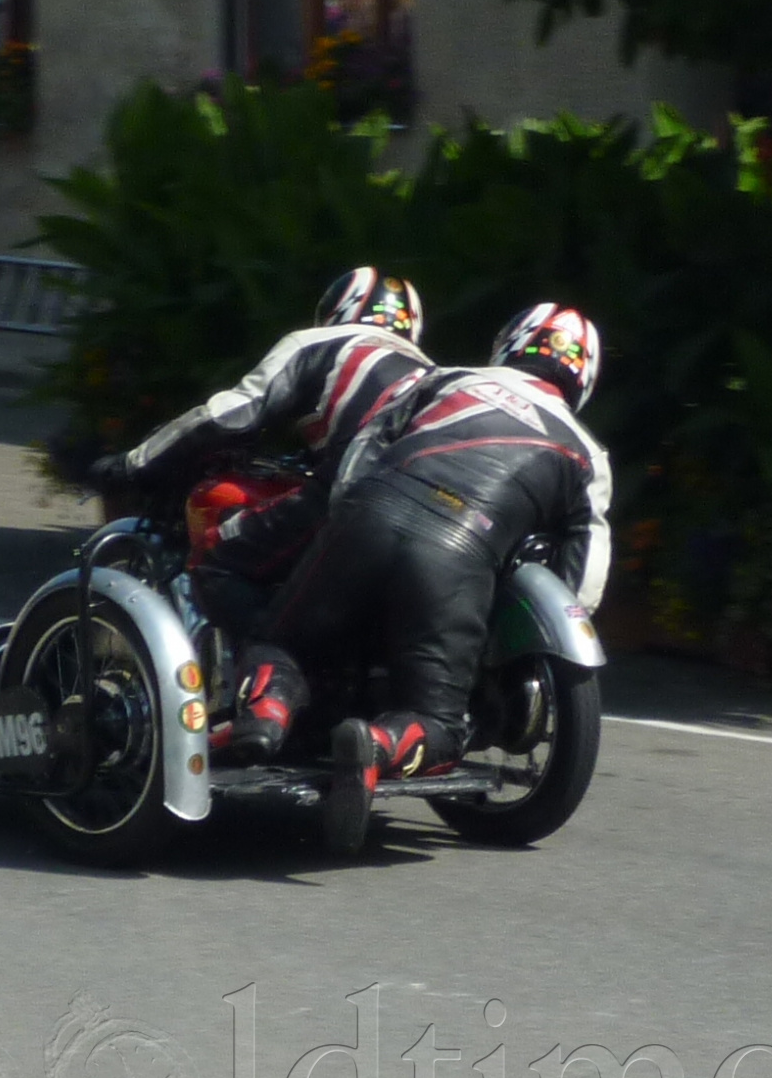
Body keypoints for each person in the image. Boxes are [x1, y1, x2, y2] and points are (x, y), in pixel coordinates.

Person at [228, 303, 612, 838]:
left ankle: (266, 715)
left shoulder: (444, 379)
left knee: (280, 642)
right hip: (457, 559)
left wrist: (344, 524)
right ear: (584, 377)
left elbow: (363, 450)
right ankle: (377, 745)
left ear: (509, 344)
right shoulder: (586, 451)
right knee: (439, 725)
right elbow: (584, 574)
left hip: (369, 517)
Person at [87, 269, 432, 632]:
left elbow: (229, 416)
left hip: (356, 496)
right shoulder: (429, 370)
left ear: (340, 306)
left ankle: (265, 663)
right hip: (437, 512)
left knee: (215, 558)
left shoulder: (319, 343)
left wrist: (133, 464)